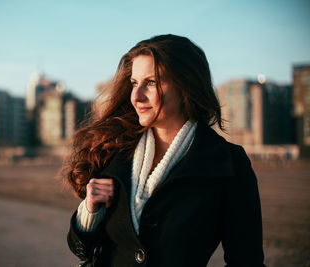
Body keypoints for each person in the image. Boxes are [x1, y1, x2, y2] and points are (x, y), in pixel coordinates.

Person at [64, 34, 265, 266]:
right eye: (134, 83)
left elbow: (247, 260)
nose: (137, 97)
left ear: (185, 86)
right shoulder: (114, 150)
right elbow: (81, 248)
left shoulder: (228, 164)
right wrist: (90, 212)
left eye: (151, 82)